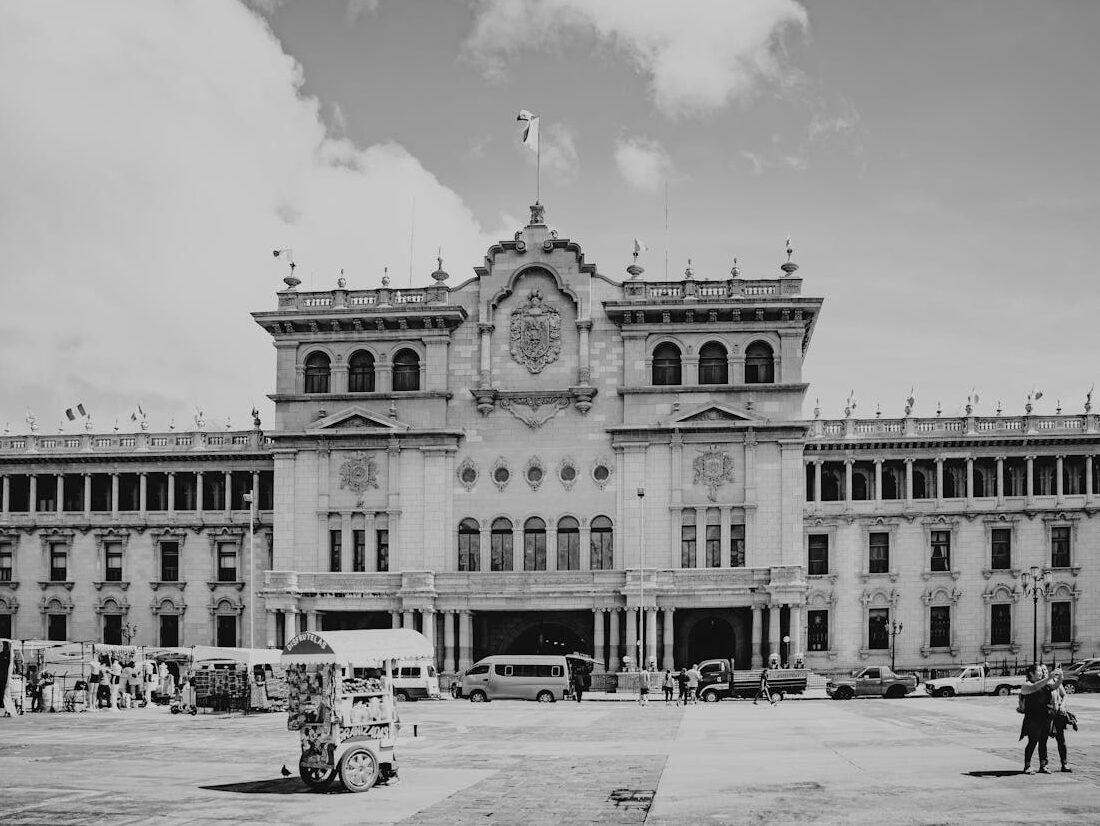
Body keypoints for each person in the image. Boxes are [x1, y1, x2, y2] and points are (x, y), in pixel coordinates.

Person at [1019, 663, 1062, 774]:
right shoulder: (1027, 685)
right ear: (1031, 673)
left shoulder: (1045, 683)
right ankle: (1027, 765)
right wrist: (1049, 677)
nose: (1041, 673)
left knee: (1043, 742)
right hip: (1033, 718)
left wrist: (1061, 677)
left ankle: (1044, 765)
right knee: (1032, 742)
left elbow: (1055, 686)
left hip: (1045, 717)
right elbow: (1034, 687)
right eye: (1039, 671)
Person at [1048, 669, 1073, 773]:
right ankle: (1043, 764)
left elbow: (1064, 695)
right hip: (1046, 714)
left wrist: (1062, 705)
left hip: (1058, 713)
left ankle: (1064, 763)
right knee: (1042, 739)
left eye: (1045, 670)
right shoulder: (1043, 682)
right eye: (1042, 670)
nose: (1044, 672)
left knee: (1061, 739)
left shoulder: (1054, 680)